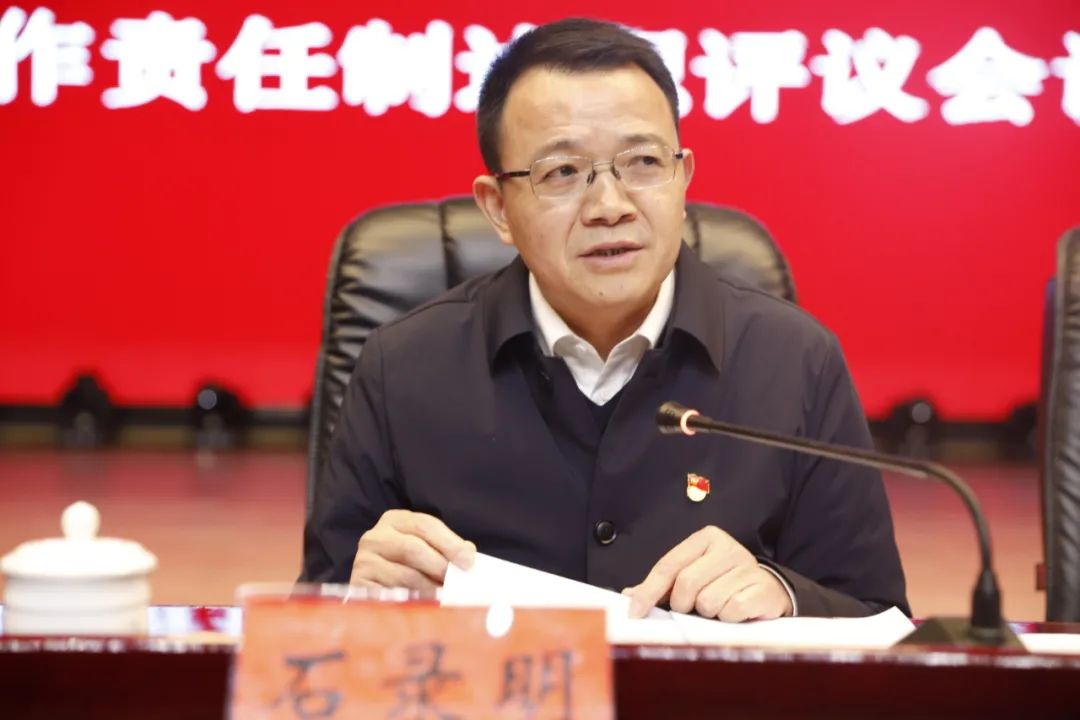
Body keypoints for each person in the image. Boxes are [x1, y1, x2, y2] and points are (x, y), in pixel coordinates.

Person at [301, 17, 909, 621]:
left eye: (643, 162)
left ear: (682, 178)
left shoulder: (796, 362)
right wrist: (357, 595)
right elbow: (308, 625)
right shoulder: (402, 369)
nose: (610, 206)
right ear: (498, 208)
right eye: (562, 172)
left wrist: (786, 594)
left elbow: (878, 616)